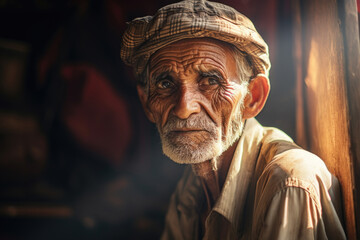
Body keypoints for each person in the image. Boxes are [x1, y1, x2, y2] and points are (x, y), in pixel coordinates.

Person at [120, 0, 347, 239]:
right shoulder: (193, 186)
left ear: (252, 98)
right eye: (166, 84)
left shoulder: (289, 184)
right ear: (147, 103)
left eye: (210, 80)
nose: (184, 107)